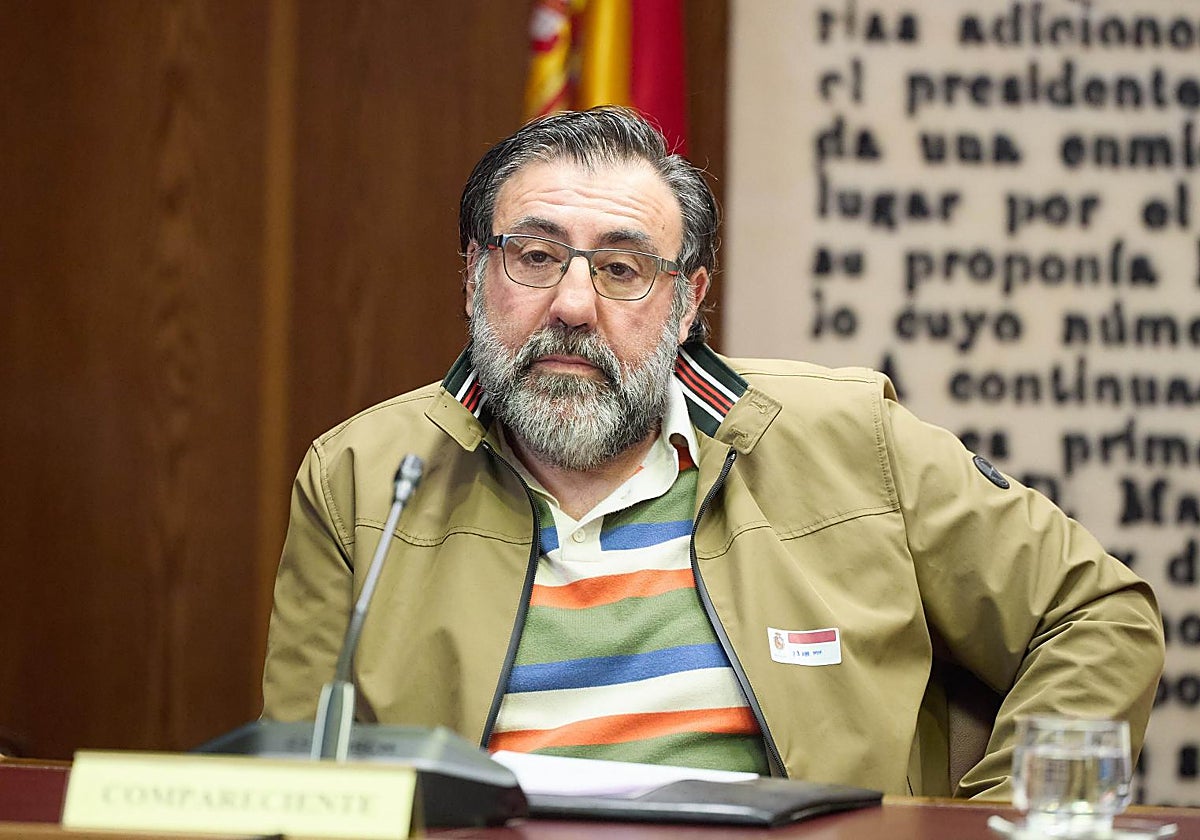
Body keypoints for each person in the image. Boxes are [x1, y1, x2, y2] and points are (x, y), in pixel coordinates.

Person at [261, 106, 1164, 799]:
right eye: (534, 256)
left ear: (688, 303)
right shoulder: (360, 477)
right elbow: (302, 782)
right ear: (473, 273)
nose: (573, 305)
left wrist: (988, 824)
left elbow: (1099, 616)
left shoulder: (850, 441)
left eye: (621, 269)